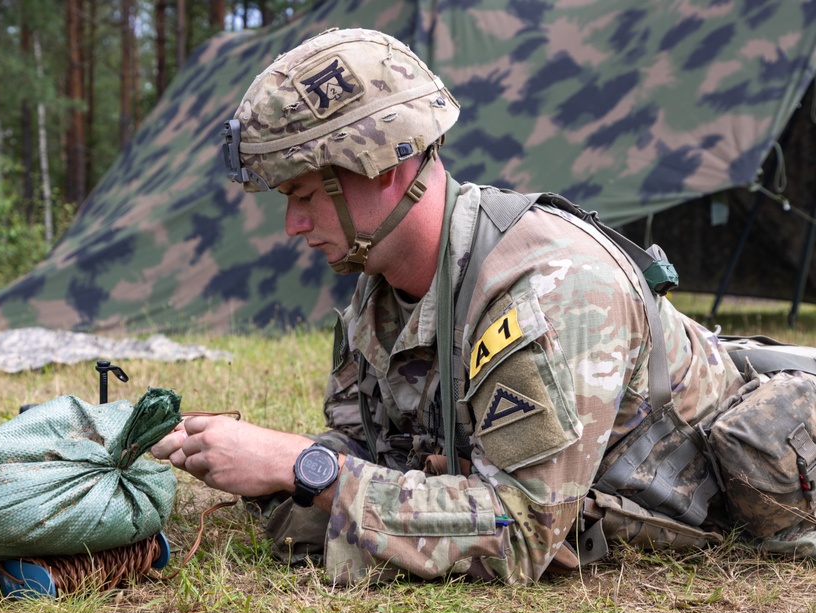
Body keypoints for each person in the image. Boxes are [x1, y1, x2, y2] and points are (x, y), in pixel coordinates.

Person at [151, 27, 745, 584]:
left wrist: (306, 467)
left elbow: (520, 532)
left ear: (387, 167)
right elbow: (378, 451)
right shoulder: (385, 281)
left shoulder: (548, 287)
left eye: (304, 194)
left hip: (734, 484)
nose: (293, 224)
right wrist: (249, 455)